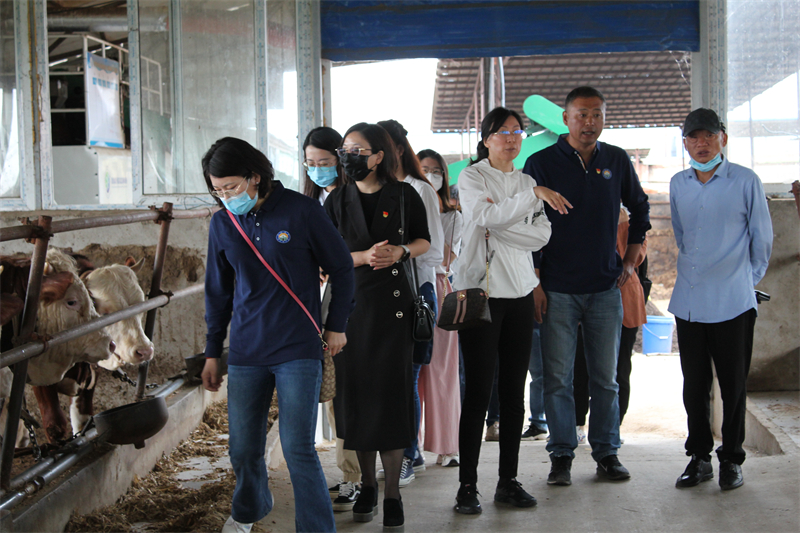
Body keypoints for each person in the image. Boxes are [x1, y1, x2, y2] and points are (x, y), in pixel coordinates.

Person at [200, 137, 355, 533]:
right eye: (218, 191)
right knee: (242, 448)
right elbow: (217, 291)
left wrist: (336, 324)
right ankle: (251, 509)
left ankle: (316, 528)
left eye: (231, 187)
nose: (226, 197)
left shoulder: (302, 211)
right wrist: (213, 351)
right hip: (247, 349)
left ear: (255, 176)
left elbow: (342, 268)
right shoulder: (223, 223)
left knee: (297, 446)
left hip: (297, 346)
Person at [523, 86, 650, 487]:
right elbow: (528, 221)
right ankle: (561, 455)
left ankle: (607, 452)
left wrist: (631, 255)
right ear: (566, 119)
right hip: (557, 288)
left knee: (606, 379)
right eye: (581, 115)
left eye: (596, 115)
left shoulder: (616, 160)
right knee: (558, 379)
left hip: (604, 288)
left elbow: (640, 206)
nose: (589, 122)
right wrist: (536, 281)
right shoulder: (541, 163)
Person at [454, 106, 565, 515]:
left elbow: (542, 235)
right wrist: (529, 201)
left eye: (517, 131)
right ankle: (467, 486)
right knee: (478, 392)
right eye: (502, 131)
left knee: (514, 392)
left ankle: (508, 481)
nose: (512, 138)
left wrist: (503, 222)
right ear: (486, 139)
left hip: (520, 293)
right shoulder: (473, 177)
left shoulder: (526, 180)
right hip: (480, 294)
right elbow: (481, 216)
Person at [324, 122, 431, 531]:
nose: (349, 156)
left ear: (379, 156)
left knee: (391, 399)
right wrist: (363, 256)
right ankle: (367, 484)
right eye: (345, 149)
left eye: (358, 150)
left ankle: (392, 494)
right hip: (348, 313)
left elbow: (424, 241)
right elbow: (325, 257)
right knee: (356, 399)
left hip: (393, 311)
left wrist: (401, 251)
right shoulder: (336, 200)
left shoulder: (405, 195)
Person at [669, 108, 772, 491]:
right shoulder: (678, 183)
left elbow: (762, 239)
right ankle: (699, 458)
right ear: (685, 143)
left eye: (708, 136)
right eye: (694, 137)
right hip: (690, 302)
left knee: (733, 386)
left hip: (733, 302)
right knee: (694, 386)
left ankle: (731, 459)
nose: (701, 144)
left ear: (722, 138)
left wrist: (744, 282)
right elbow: (681, 235)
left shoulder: (745, 180)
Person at [378, 120, 445, 484]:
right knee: (392, 380)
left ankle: (409, 454)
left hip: (417, 291)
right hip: (383, 293)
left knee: (408, 377)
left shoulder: (420, 190)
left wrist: (400, 252)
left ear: (398, 150)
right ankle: (405, 451)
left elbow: (433, 251)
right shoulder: (378, 190)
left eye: (381, 148)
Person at [300, 126, 362, 511]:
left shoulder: (352, 198)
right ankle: (351, 473)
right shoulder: (310, 201)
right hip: (321, 306)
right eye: (310, 163)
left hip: (354, 304)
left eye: (324, 162)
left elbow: (353, 254)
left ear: (340, 160)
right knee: (334, 391)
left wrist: (333, 261)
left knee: (353, 391)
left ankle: (361, 472)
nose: (317, 169)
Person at [417, 148, 463, 467]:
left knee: (442, 371)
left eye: (436, 171)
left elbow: (447, 258)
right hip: (411, 289)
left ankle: (448, 445)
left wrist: (433, 210)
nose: (430, 176)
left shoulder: (453, 215)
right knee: (413, 373)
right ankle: (411, 448)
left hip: (441, 289)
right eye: (424, 170)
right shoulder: (404, 206)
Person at [303, 126, 347, 205]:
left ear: (340, 160)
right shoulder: (310, 197)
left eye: (324, 164)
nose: (317, 172)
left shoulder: (353, 196)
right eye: (311, 164)